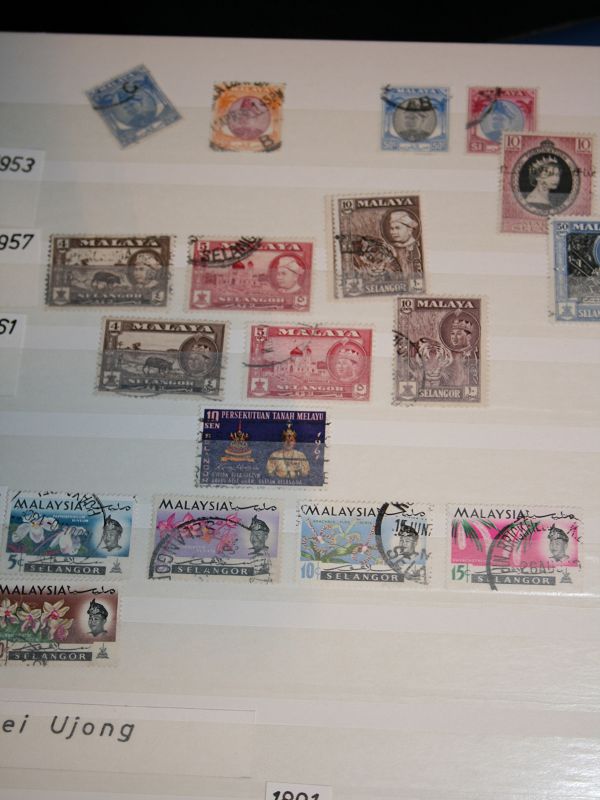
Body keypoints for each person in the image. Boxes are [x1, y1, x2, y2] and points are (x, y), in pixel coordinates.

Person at [381, 209, 422, 275]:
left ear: (409, 230)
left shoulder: (418, 247)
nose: (393, 232)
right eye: (392, 228)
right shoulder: (390, 248)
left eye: (397, 228)